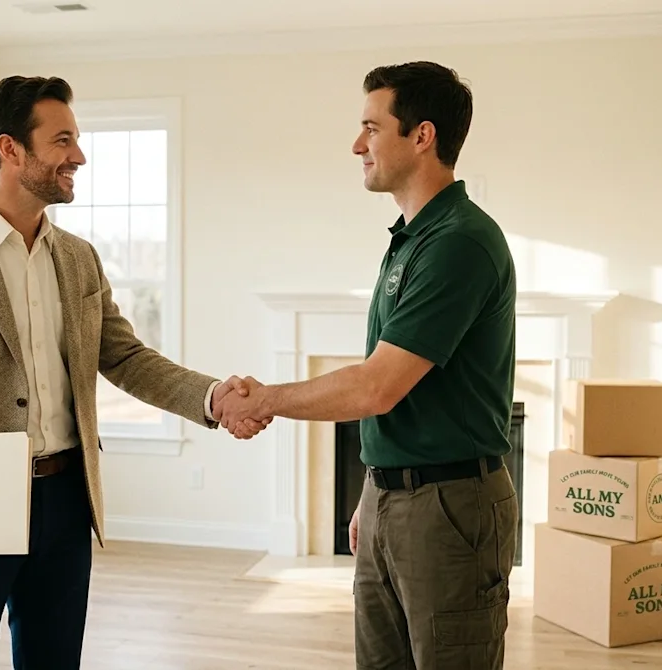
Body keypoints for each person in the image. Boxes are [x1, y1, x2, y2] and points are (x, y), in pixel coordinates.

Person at [0, 75, 264, 670]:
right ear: (10, 149)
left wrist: (212, 398)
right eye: (63, 140)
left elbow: (125, 357)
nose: (78, 155)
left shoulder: (77, 257)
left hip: (67, 499)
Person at [219, 61, 519, 669]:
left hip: (449, 508)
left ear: (422, 135)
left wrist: (264, 399)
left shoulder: (459, 241)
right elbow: (402, 393)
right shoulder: (412, 238)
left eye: (371, 127)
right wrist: (374, 489)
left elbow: (378, 386)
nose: (358, 144)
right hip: (394, 497)